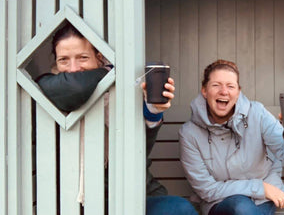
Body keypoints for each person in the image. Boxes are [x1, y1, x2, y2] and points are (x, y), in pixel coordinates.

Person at [36, 22, 198, 215]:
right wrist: (108, 72)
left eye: (82, 58)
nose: (73, 69)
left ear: (99, 56)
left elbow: (138, 148)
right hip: (80, 199)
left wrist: (153, 111)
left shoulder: (120, 90)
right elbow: (76, 87)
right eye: (64, 60)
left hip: (135, 191)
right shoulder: (49, 86)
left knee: (179, 209)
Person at [179, 59, 284, 215]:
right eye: (216, 85)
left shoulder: (258, 114)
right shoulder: (189, 133)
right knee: (240, 207)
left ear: (238, 92)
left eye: (230, 86)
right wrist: (259, 187)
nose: (224, 91)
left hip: (262, 200)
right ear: (204, 90)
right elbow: (207, 190)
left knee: (244, 209)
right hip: (219, 203)